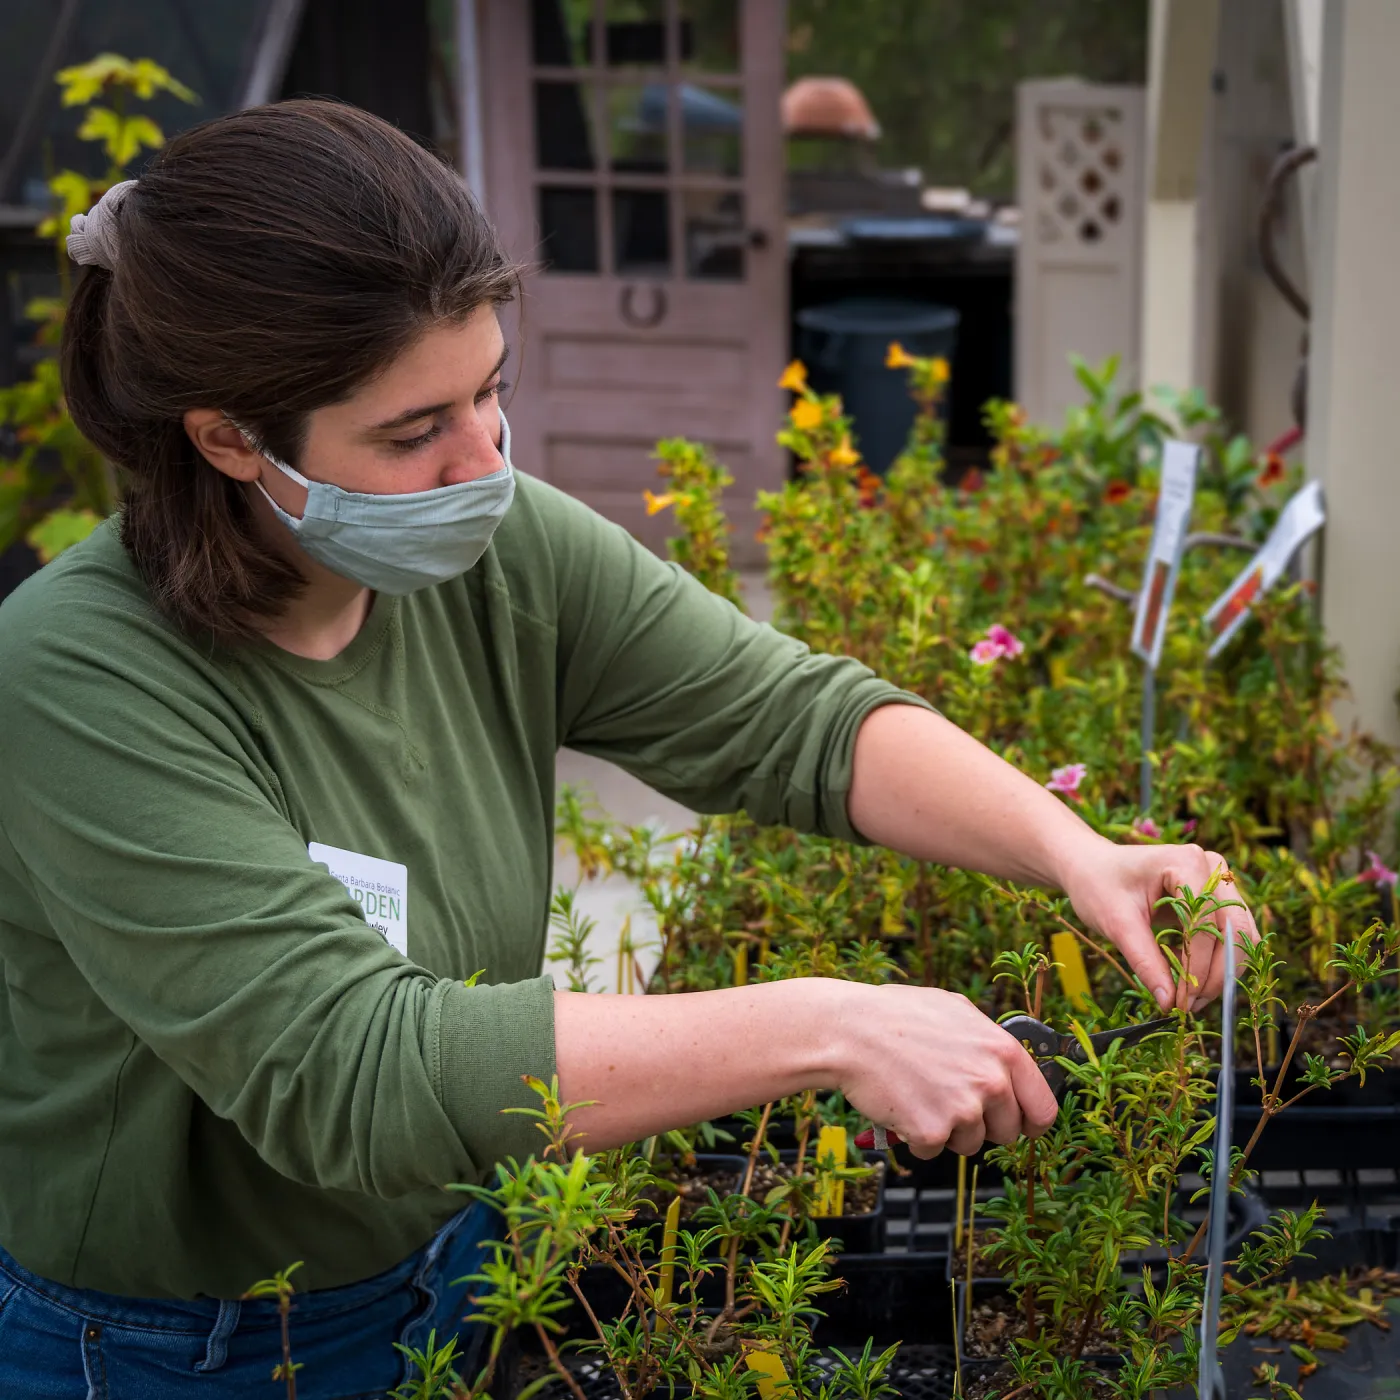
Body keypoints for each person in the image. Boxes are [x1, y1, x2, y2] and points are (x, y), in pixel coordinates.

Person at [0, 100, 1253, 1397]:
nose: (483, 462)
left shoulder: (488, 549)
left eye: (491, 392)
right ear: (226, 438)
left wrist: (1076, 851)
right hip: (172, 1350)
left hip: (458, 1261)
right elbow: (349, 1069)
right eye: (411, 430)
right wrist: (832, 1025)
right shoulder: (82, 679)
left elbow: (788, 718)